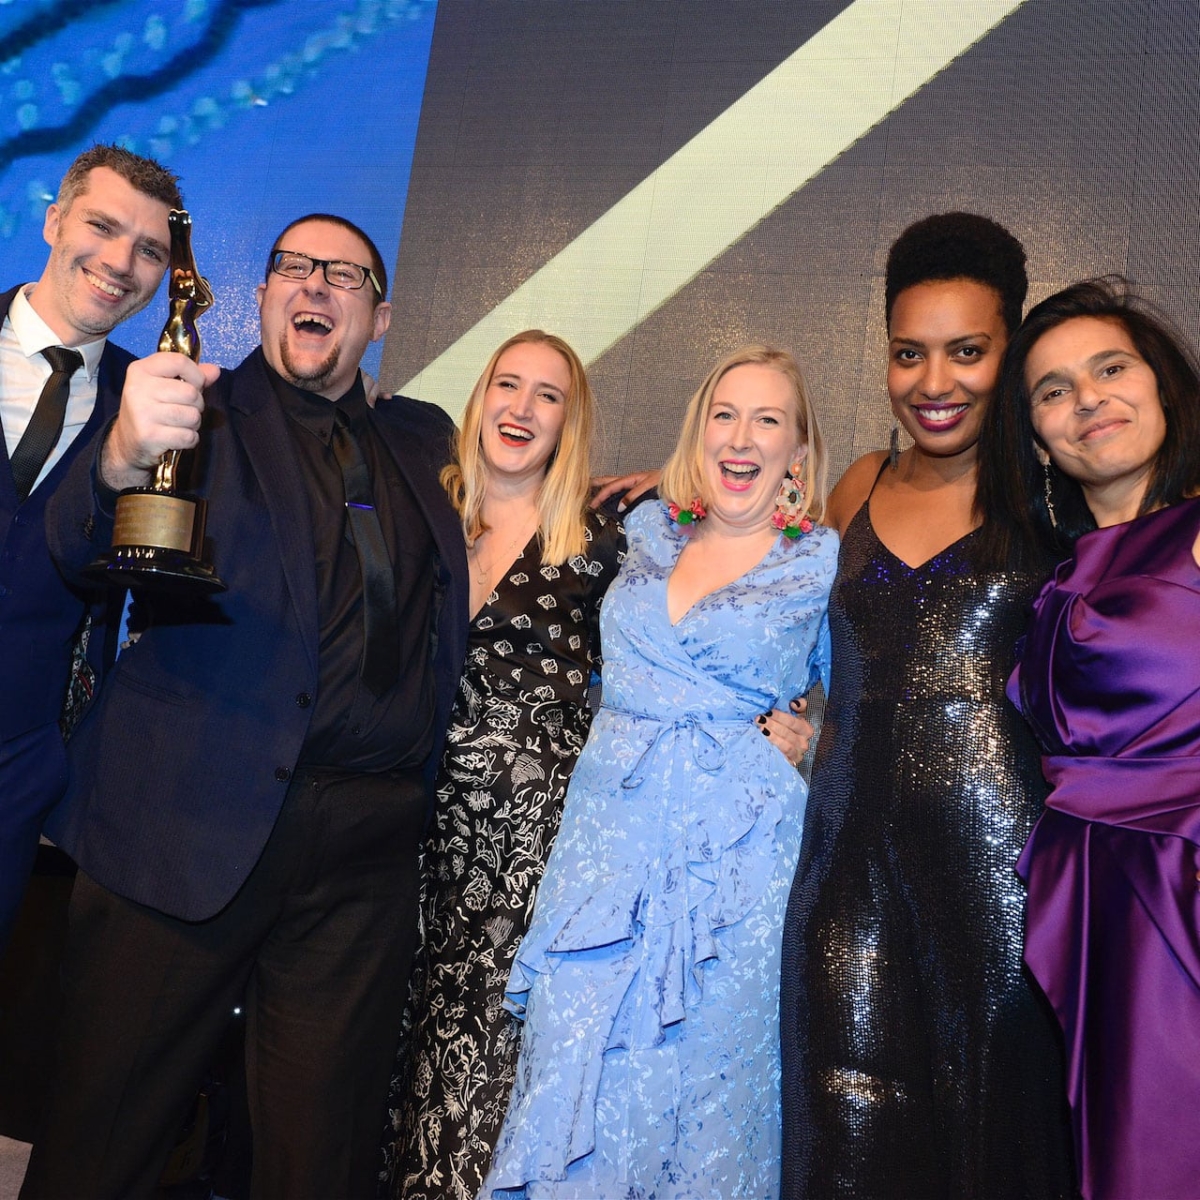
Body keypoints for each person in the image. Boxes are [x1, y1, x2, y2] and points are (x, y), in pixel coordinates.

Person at [21, 214, 469, 1199]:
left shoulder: (421, 438)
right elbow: (75, 538)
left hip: (361, 857)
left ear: (380, 318)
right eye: (292, 267)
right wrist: (117, 457)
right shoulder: (192, 410)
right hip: (183, 827)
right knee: (103, 1146)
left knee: (319, 1166)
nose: (314, 285)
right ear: (262, 297)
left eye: (343, 275)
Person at [482, 344, 838, 1198]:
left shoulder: (822, 561)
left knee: (708, 1093)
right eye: (724, 414)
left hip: (734, 874)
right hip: (604, 852)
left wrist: (811, 736)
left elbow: (870, 700)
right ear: (698, 429)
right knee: (572, 1063)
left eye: (767, 420)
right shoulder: (644, 533)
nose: (741, 437)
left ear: (797, 451)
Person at [779, 213, 1075, 1198]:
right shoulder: (857, 486)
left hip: (1005, 882)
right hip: (843, 873)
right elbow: (771, 594)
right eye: (909, 353)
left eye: (967, 352)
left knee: (1001, 1146)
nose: (933, 382)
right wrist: (681, 493)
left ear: (1013, 350)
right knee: (843, 1141)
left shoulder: (1057, 501)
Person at [380, 330, 626, 1199]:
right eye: (507, 385)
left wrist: (773, 717)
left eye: (547, 395)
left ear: (569, 421)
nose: (521, 409)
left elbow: (672, 645)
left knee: (481, 1041)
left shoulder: (600, 540)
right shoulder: (424, 514)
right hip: (404, 818)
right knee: (388, 1025)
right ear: (479, 397)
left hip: (525, 847)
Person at [980, 277, 1200, 1200]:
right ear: (1036, 437)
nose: (1088, 400)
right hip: (1093, 906)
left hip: (1182, 890)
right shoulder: (1059, 574)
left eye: (1111, 369)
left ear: (1161, 384)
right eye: (1054, 390)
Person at [0, 144, 181, 956]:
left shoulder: (157, 414)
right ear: (53, 222)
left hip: (15, 774)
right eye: (102, 227)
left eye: (149, 250)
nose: (120, 262)